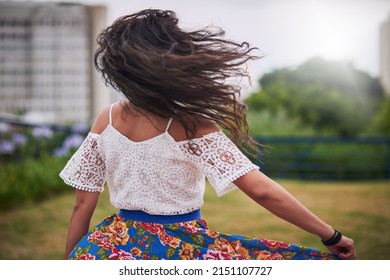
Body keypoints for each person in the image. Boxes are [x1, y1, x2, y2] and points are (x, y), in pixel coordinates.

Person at [60, 9, 356, 260]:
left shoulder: (106, 119)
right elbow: (261, 190)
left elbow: (81, 206)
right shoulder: (190, 123)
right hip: (178, 249)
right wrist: (330, 235)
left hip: (111, 244)